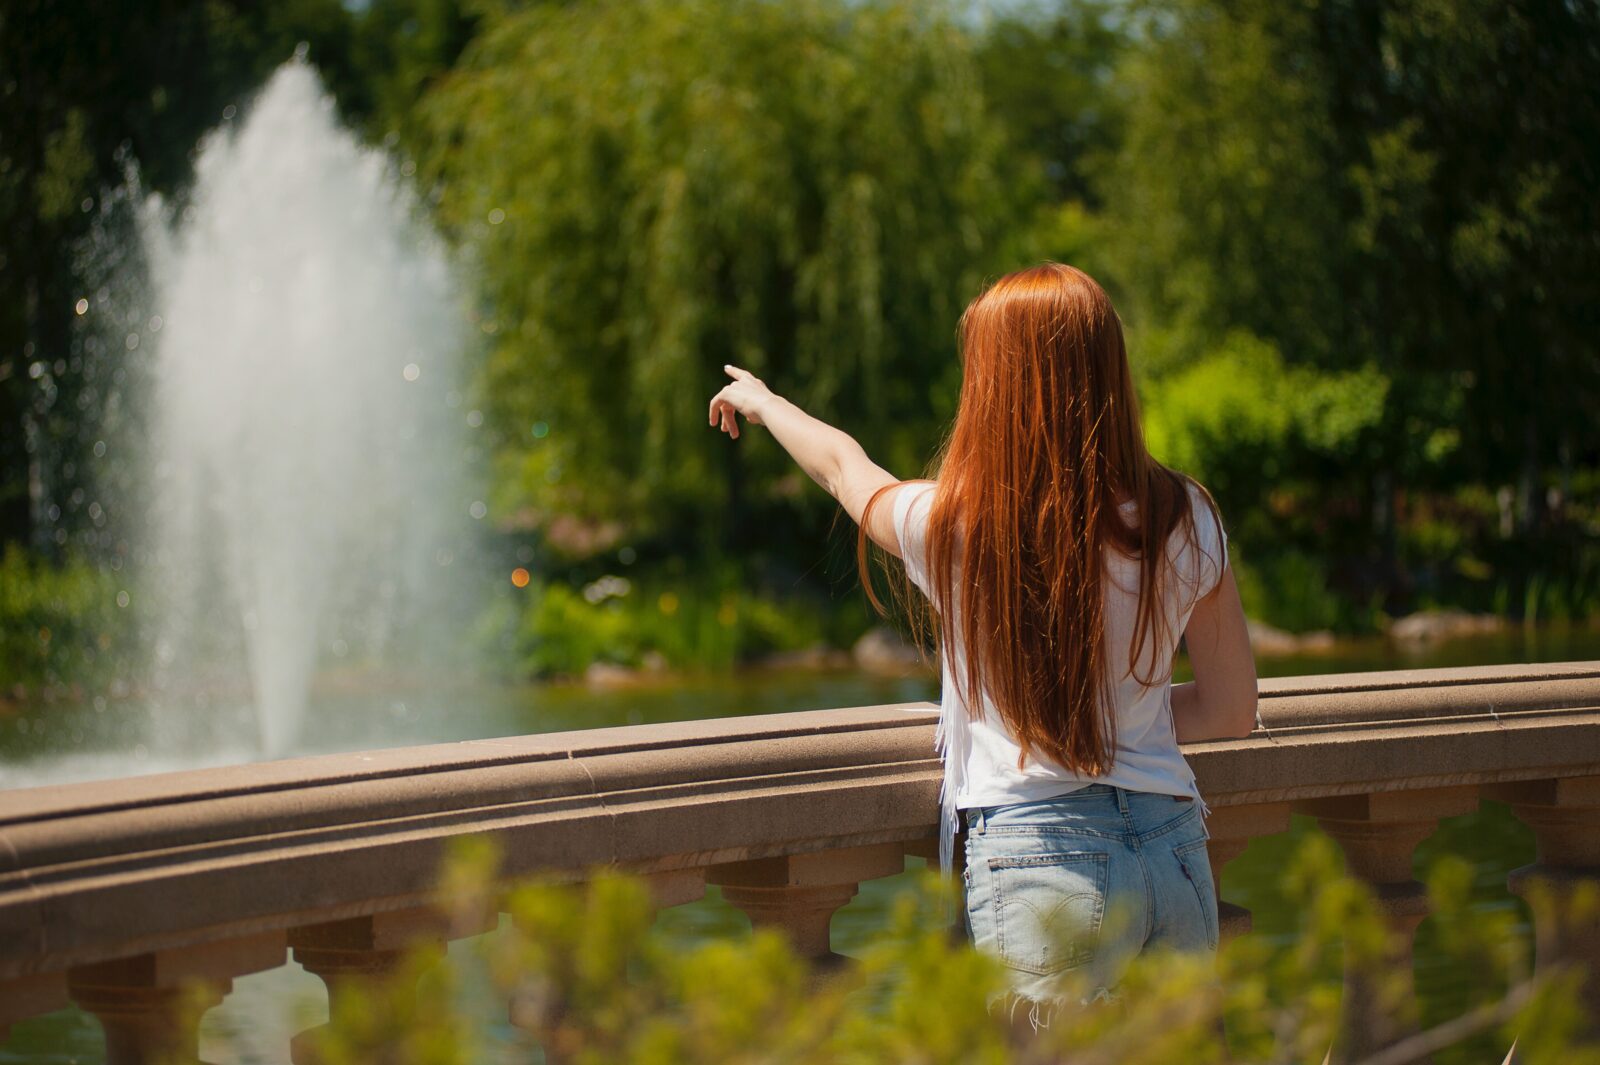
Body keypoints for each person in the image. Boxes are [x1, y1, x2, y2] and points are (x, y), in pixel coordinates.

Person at [706, 261, 1258, 1020]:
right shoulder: (1185, 515)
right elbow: (1232, 709)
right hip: (1172, 853)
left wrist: (765, 403)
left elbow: (843, 467)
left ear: (994, 385)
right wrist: (1127, 721)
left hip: (1042, 860)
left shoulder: (957, 527)